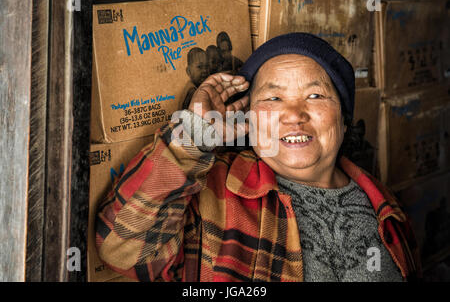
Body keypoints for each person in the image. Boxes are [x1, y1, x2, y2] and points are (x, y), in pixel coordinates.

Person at [95, 33, 421, 282]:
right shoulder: (213, 194)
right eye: (274, 98)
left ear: (344, 117)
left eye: (315, 95)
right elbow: (121, 249)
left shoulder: (387, 208)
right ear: (248, 119)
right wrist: (194, 134)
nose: (294, 115)